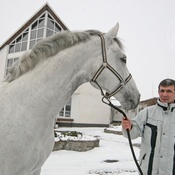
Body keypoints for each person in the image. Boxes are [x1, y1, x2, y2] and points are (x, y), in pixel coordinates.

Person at [122, 78, 175, 175]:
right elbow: (134, 133)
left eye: (169, 91)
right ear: (158, 92)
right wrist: (130, 127)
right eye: (162, 90)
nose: (164, 94)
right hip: (148, 170)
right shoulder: (147, 113)